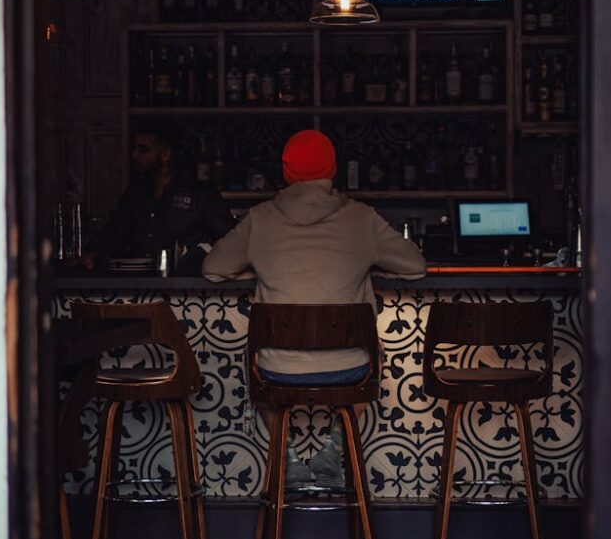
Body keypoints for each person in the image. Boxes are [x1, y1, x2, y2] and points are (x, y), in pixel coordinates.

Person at [202, 130, 426, 490]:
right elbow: (416, 266)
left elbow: (212, 267)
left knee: (259, 376)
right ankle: (332, 447)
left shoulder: (260, 219)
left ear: (286, 172)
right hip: (349, 369)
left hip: (276, 371)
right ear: (333, 170)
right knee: (371, 365)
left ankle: (287, 454)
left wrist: (252, 266)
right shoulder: (361, 218)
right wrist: (369, 264)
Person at [81, 125, 234, 273]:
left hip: (187, 287)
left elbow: (231, 239)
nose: (135, 155)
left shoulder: (199, 193)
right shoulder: (135, 192)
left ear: (165, 154)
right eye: (135, 149)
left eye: (143, 150)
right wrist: (95, 254)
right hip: (138, 286)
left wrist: (197, 256)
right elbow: (115, 234)